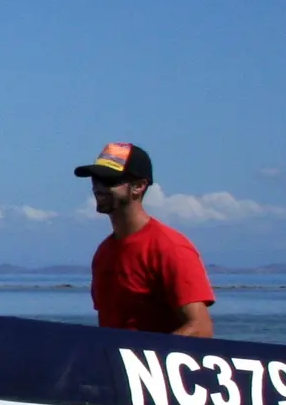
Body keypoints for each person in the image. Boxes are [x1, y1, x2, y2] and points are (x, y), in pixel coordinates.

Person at [77, 141, 215, 337]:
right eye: (95, 180)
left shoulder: (170, 247)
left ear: (139, 186)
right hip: (113, 364)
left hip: (150, 364)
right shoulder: (104, 252)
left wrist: (148, 356)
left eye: (109, 181)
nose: (98, 188)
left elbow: (201, 329)